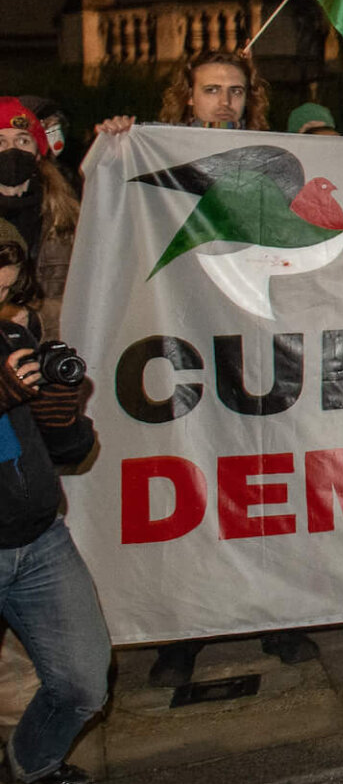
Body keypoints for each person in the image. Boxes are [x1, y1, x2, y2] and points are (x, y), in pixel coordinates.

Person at [0, 227, 108, 784]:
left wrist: (63, 414)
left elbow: (70, 450)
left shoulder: (11, 338)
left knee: (83, 683)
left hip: (39, 539)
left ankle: (31, 767)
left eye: (8, 272)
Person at [0, 101, 78, 334]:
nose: (11, 150)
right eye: (0, 142)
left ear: (37, 153)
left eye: (23, 140)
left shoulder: (67, 220)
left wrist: (36, 318)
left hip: (46, 352)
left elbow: (87, 294)